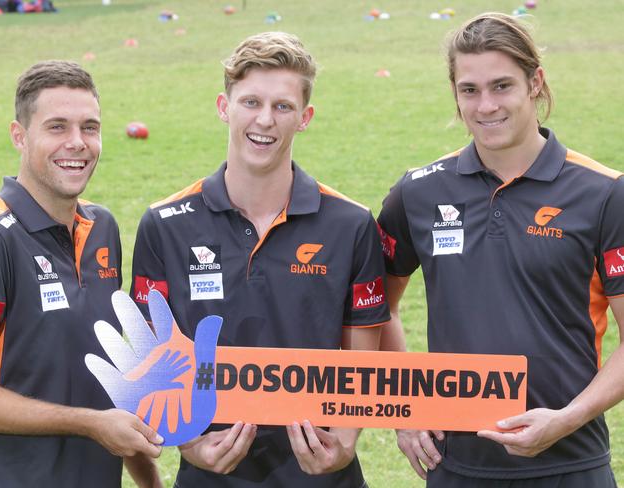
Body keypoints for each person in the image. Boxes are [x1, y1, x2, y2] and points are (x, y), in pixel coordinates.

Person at [130, 31, 390, 487]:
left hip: (321, 470)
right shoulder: (164, 224)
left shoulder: (349, 223)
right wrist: (186, 441)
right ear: (223, 107)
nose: (265, 120)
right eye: (250, 102)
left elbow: (362, 350)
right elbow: (152, 348)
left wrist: (346, 440)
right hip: (211, 469)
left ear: (305, 117)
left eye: (283, 107)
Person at [377, 12, 624, 488]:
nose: (485, 105)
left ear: (536, 83)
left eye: (502, 86)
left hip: (571, 463)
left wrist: (568, 418)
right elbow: (374, 310)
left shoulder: (604, 193)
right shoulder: (417, 193)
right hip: (455, 466)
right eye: (469, 90)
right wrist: (403, 409)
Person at [0, 60, 163, 487]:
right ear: (19, 136)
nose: (77, 143)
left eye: (89, 128)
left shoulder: (103, 229)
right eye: (57, 127)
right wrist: (89, 423)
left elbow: (108, 375)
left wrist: (150, 481)